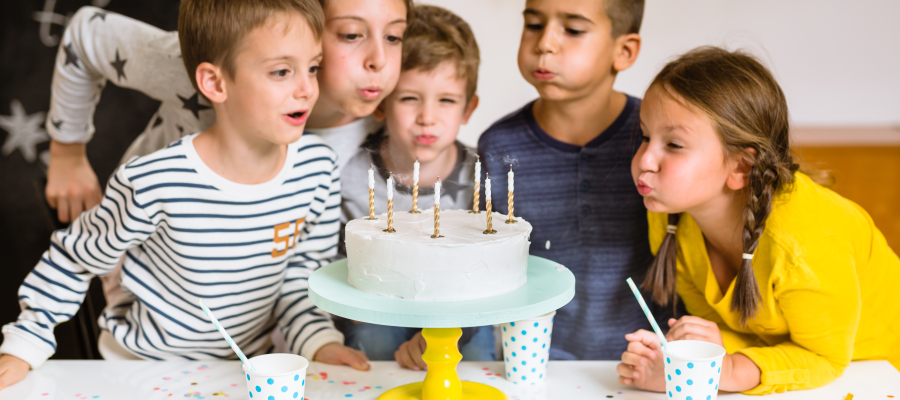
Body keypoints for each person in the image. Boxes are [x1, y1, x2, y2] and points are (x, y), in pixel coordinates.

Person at [0, 0, 368, 390]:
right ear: (214, 83)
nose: (307, 88)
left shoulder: (318, 168)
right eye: (281, 71)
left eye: (312, 67)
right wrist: (24, 344)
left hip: (243, 373)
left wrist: (318, 341)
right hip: (139, 370)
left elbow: (302, 271)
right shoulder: (154, 181)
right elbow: (75, 258)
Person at [618, 46, 900, 395]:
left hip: (878, 375)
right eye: (646, 136)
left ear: (741, 167)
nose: (645, 159)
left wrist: (727, 370)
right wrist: (708, 348)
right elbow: (740, 334)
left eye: (673, 144)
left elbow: (826, 359)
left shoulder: (804, 242)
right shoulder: (669, 217)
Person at [43, 0, 413, 224]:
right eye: (350, 34)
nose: (379, 61)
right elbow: (85, 35)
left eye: (394, 37)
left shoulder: (390, 113)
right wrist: (67, 152)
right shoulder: (206, 64)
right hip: (146, 251)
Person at [477, 0, 674, 361]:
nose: (545, 43)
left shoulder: (658, 142)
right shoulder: (498, 147)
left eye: (573, 29)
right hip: (533, 363)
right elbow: (488, 264)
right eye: (534, 24)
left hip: (647, 360)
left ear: (624, 51)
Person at [338, 5, 494, 370]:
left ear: (468, 108)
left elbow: (487, 272)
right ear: (381, 103)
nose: (427, 116)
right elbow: (338, 264)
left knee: (472, 350)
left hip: (459, 311)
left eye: (446, 100)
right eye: (409, 98)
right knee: (373, 339)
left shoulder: (480, 178)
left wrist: (447, 328)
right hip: (377, 309)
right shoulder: (351, 177)